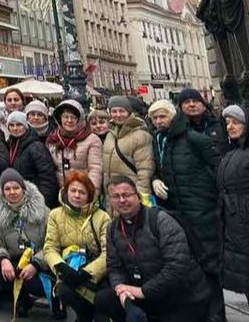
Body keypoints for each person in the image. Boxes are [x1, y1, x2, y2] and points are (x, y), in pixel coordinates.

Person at [147, 98, 223, 321]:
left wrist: (212, 198)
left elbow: (218, 167)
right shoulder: (158, 140)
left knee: (210, 267)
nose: (159, 121)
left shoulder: (193, 139)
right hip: (176, 212)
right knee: (188, 267)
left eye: (163, 116)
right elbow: (159, 168)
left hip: (202, 211)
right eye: (155, 118)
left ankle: (217, 316)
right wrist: (154, 180)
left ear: (173, 116)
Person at [98, 175, 208, 322]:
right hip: (141, 292)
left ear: (137, 195)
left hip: (178, 295)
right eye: (116, 196)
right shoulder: (112, 228)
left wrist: (142, 291)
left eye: (126, 195)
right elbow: (114, 267)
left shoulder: (160, 220)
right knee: (104, 299)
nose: (122, 200)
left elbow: (177, 267)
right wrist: (122, 292)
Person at [43, 170, 110, 322]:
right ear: (66, 192)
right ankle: (83, 315)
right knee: (63, 290)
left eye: (82, 192)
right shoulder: (55, 215)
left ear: (89, 195)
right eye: (73, 190)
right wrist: (61, 267)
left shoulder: (102, 217)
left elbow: (108, 252)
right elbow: (50, 247)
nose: (77, 195)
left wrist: (87, 272)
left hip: (95, 273)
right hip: (68, 269)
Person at [0, 169, 49, 318]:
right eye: (7, 189)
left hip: (40, 262)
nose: (12, 192)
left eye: (16, 188)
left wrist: (36, 264)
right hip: (15, 259)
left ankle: (55, 302)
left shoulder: (43, 211)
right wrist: (3, 260)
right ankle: (22, 301)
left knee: (33, 283)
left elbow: (52, 244)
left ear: (23, 189)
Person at [217, 105, 247, 302]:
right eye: (227, 123)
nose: (230, 127)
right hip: (235, 228)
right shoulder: (231, 153)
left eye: (235, 122)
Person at [45, 99, 103, 192]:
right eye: (65, 117)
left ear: (79, 119)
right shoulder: (53, 139)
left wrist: (91, 193)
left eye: (73, 117)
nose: (69, 120)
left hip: (82, 193)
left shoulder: (92, 139)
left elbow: (95, 169)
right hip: (59, 193)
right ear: (60, 119)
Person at [101, 96, 153, 198]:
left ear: (129, 112)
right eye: (114, 111)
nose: (118, 115)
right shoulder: (110, 135)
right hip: (112, 194)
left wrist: (142, 197)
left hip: (131, 195)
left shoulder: (141, 135)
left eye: (122, 111)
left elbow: (145, 171)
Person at [4, 111, 59, 206]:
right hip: (17, 197)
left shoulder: (36, 146)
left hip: (34, 199)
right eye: (11, 125)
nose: (15, 128)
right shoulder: (9, 144)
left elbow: (47, 178)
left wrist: (43, 203)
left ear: (26, 126)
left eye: (19, 125)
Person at [176, 87, 228, 153]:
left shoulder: (218, 125)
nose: (192, 104)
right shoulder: (177, 130)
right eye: (187, 102)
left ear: (204, 106)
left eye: (195, 101)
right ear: (180, 107)